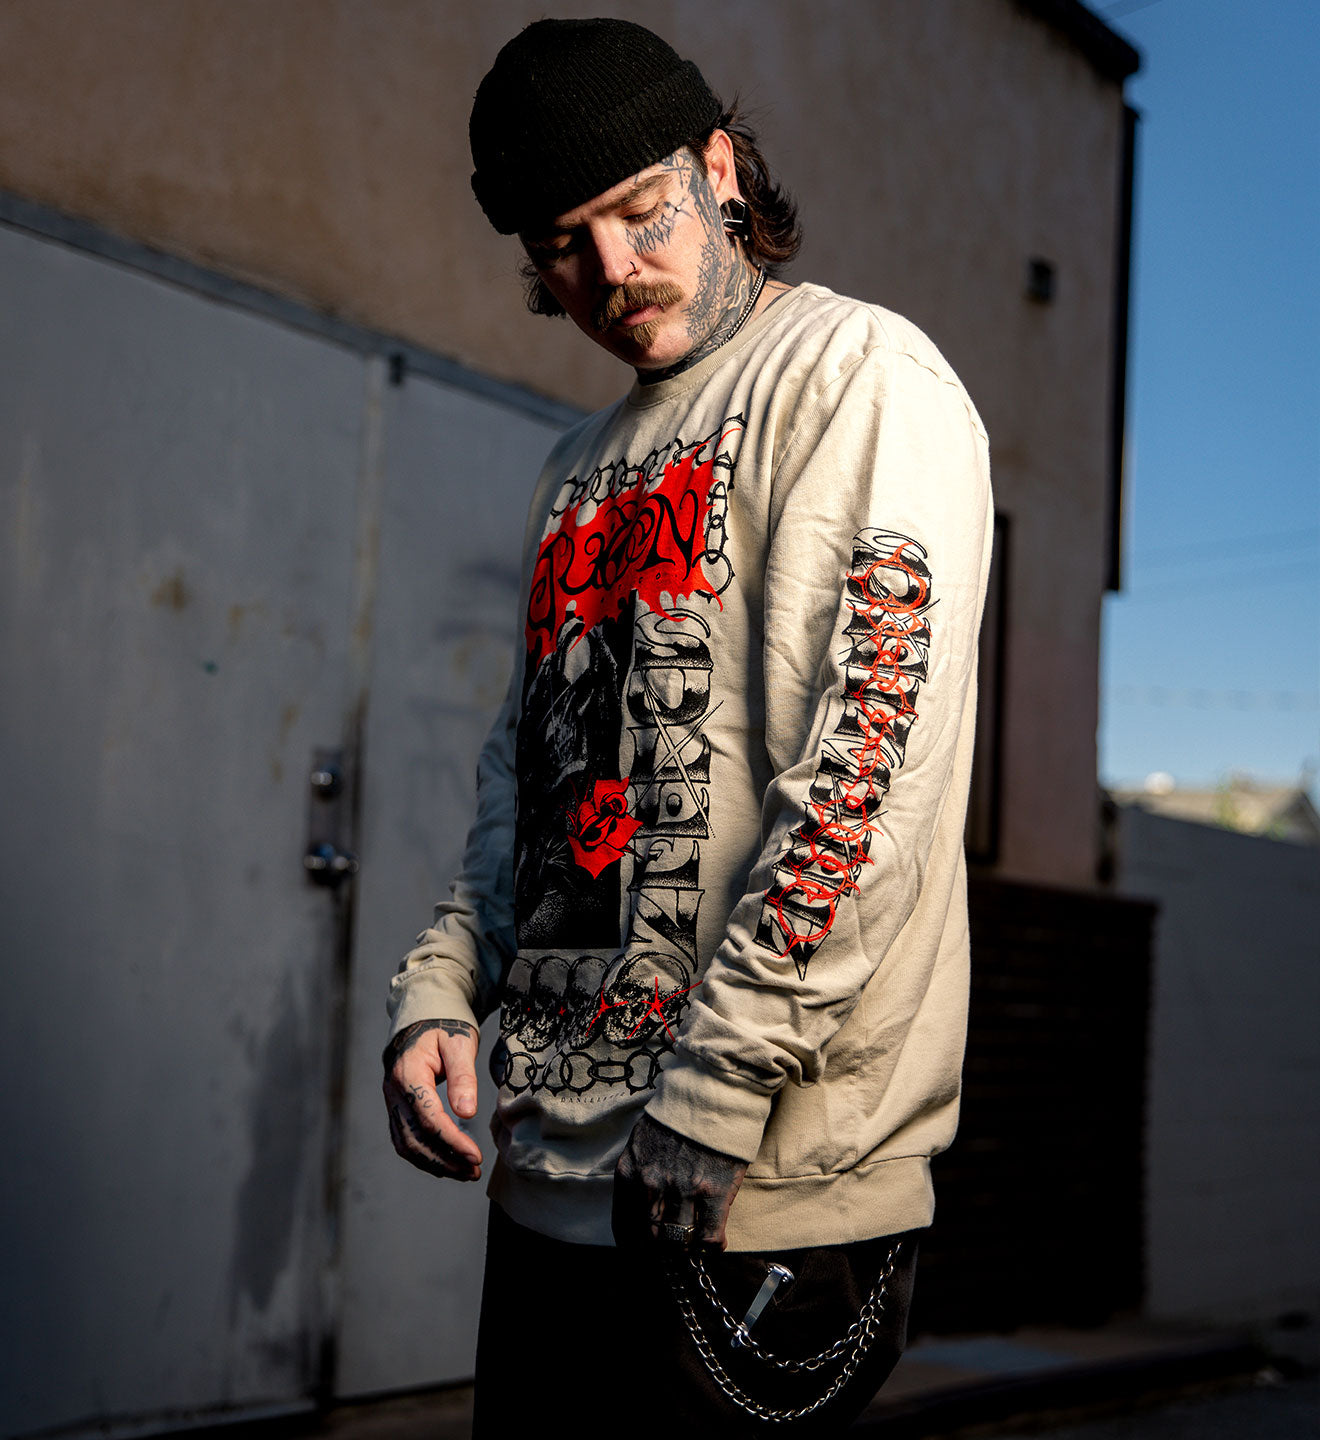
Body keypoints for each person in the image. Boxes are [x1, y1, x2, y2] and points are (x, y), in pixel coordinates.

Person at [383, 17, 991, 1435]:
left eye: (638, 214)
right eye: (559, 244)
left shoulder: (860, 378)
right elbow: (527, 774)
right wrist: (438, 985)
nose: (608, 273)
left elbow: (871, 773)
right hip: (549, 1177)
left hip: (752, 1189)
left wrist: (718, 1086)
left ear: (719, 168)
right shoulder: (576, 468)